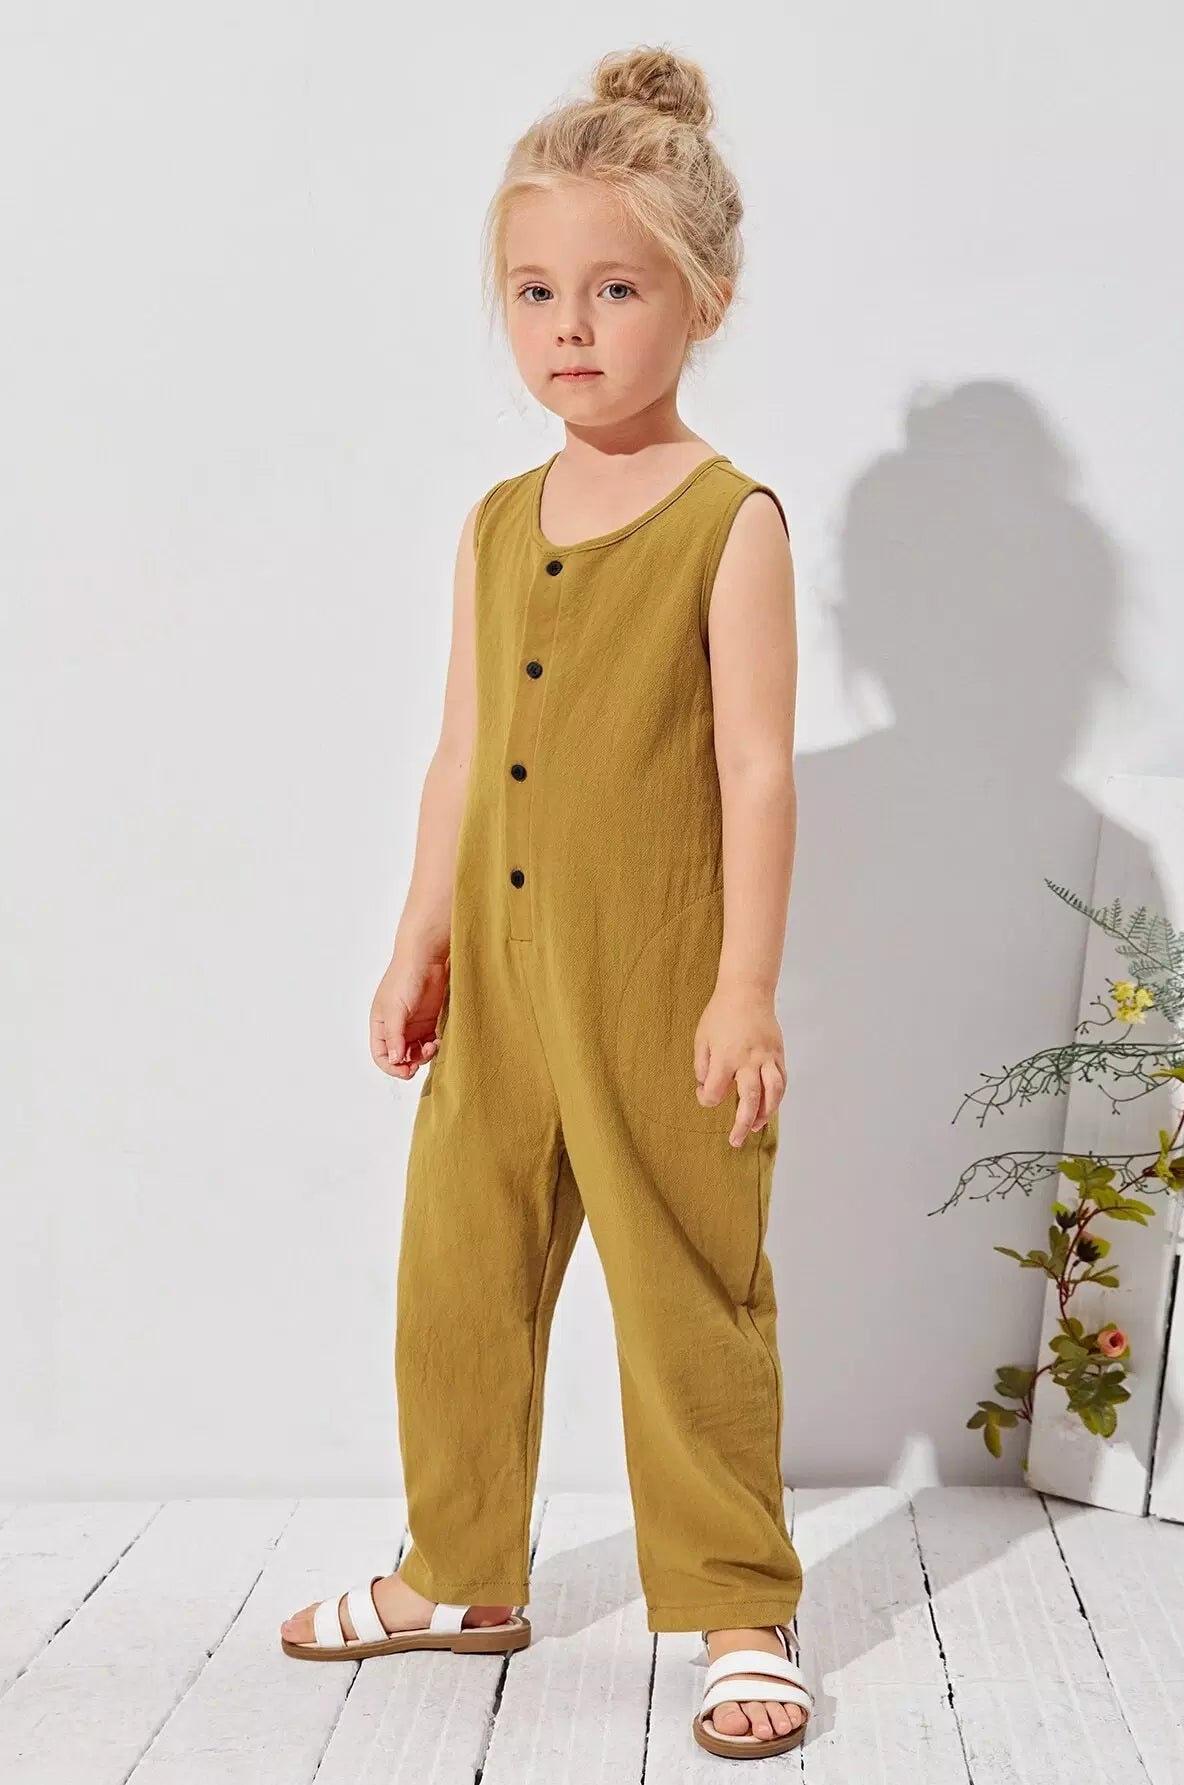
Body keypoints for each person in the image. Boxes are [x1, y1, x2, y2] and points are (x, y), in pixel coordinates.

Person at [279, 43, 812, 1761]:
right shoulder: (498, 522)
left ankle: (739, 1602)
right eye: (534, 290)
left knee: (686, 1289)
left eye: (615, 288)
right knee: (459, 1272)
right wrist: (417, 936)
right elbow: (460, 750)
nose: (569, 326)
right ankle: (458, 1570)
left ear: (703, 297)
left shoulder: (729, 522)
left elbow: (757, 772)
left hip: (656, 981)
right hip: (500, 987)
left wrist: (745, 984)